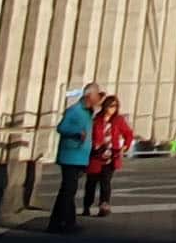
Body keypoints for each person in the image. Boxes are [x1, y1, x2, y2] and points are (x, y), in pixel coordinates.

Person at [48, 88, 94, 234]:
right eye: (97, 96)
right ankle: (65, 223)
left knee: (67, 191)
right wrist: (76, 133)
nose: (99, 100)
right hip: (71, 156)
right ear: (89, 96)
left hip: (79, 156)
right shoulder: (74, 110)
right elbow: (61, 127)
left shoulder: (87, 113)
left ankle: (60, 223)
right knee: (68, 191)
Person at [86, 89, 131, 213]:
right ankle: (87, 205)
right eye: (111, 106)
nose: (113, 109)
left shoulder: (118, 120)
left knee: (106, 181)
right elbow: (90, 134)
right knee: (92, 181)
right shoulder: (97, 119)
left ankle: (104, 205)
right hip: (96, 155)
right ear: (105, 106)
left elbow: (128, 134)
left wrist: (125, 147)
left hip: (112, 155)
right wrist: (94, 144)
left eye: (115, 106)